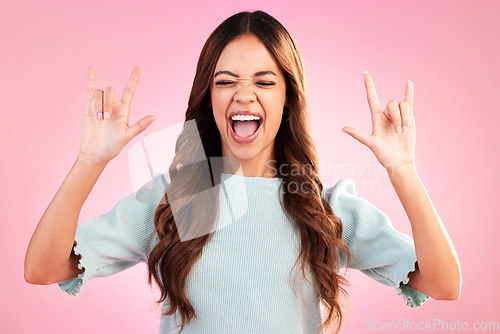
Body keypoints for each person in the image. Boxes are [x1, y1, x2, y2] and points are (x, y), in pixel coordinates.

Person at [24, 10, 461, 334]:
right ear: (208, 97)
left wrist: (403, 170)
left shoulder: (325, 207)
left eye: (265, 82)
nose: (244, 94)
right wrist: (90, 161)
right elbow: (43, 268)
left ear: (288, 98)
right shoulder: (173, 197)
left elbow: (443, 283)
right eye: (226, 80)